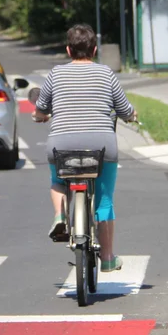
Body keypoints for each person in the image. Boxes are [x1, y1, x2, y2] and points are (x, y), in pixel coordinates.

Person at [33, 24, 137, 272]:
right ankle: (109, 257)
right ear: (95, 49)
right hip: (102, 147)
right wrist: (132, 115)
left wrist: (41, 116)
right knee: (104, 202)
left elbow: (40, 109)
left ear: (69, 50)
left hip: (62, 146)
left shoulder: (55, 74)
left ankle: (60, 216)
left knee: (57, 179)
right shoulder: (106, 74)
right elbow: (124, 109)